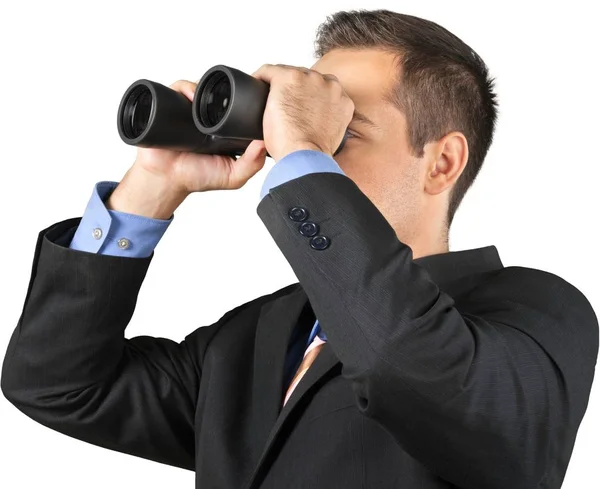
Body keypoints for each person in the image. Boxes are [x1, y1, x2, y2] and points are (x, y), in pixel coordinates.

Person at [1, 8, 597, 489]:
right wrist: (153, 185)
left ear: (442, 162)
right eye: (299, 130)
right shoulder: (253, 337)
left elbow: (400, 359)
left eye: (343, 131)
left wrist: (305, 148)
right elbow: (55, 383)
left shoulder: (536, 313)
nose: (298, 153)